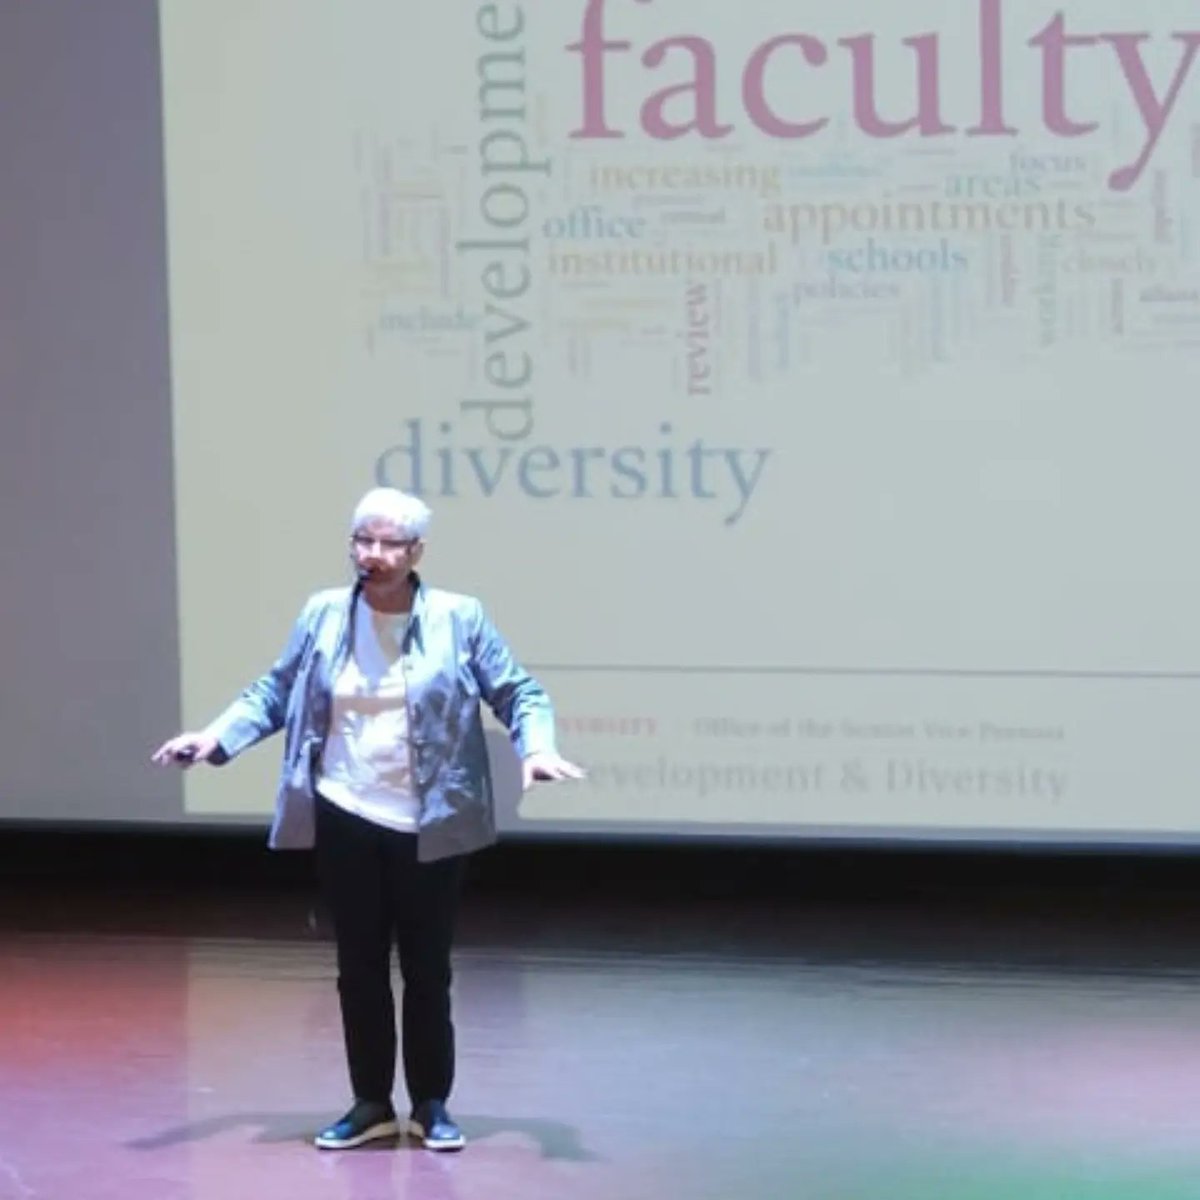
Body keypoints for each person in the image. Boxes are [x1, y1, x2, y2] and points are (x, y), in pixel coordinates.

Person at [152, 487, 584, 1152]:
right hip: (346, 811)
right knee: (357, 968)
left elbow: (518, 691)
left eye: (388, 544)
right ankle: (372, 1103)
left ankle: (433, 1104)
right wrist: (215, 738)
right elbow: (276, 689)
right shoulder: (324, 613)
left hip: (430, 821)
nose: (372, 555)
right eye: (363, 540)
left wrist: (539, 747)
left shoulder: (458, 617)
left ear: (417, 552)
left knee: (427, 969)